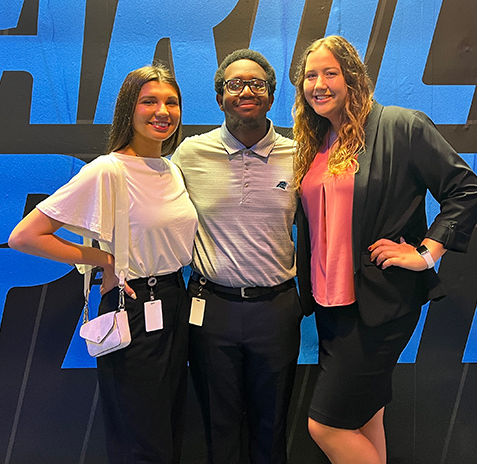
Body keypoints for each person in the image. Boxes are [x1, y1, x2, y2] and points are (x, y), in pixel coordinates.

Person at [292, 36, 477, 463]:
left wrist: (426, 253)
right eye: (310, 76)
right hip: (330, 305)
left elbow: (466, 190)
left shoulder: (401, 126)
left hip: (379, 305)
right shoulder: (318, 141)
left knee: (326, 425)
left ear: (353, 78)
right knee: (366, 418)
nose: (318, 84)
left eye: (330, 73)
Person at [8, 65, 197, 464]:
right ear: (129, 108)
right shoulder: (107, 169)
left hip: (174, 300)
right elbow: (25, 236)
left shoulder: (170, 168)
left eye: (171, 102)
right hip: (132, 304)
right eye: (149, 101)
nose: (162, 110)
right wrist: (103, 259)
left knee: (168, 424)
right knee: (140, 437)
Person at [171, 49, 304, 464]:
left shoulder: (299, 154)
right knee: (219, 425)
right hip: (210, 307)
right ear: (220, 97)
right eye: (235, 84)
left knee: (272, 425)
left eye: (257, 83)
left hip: (277, 308)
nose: (246, 90)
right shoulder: (190, 154)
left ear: (270, 95)